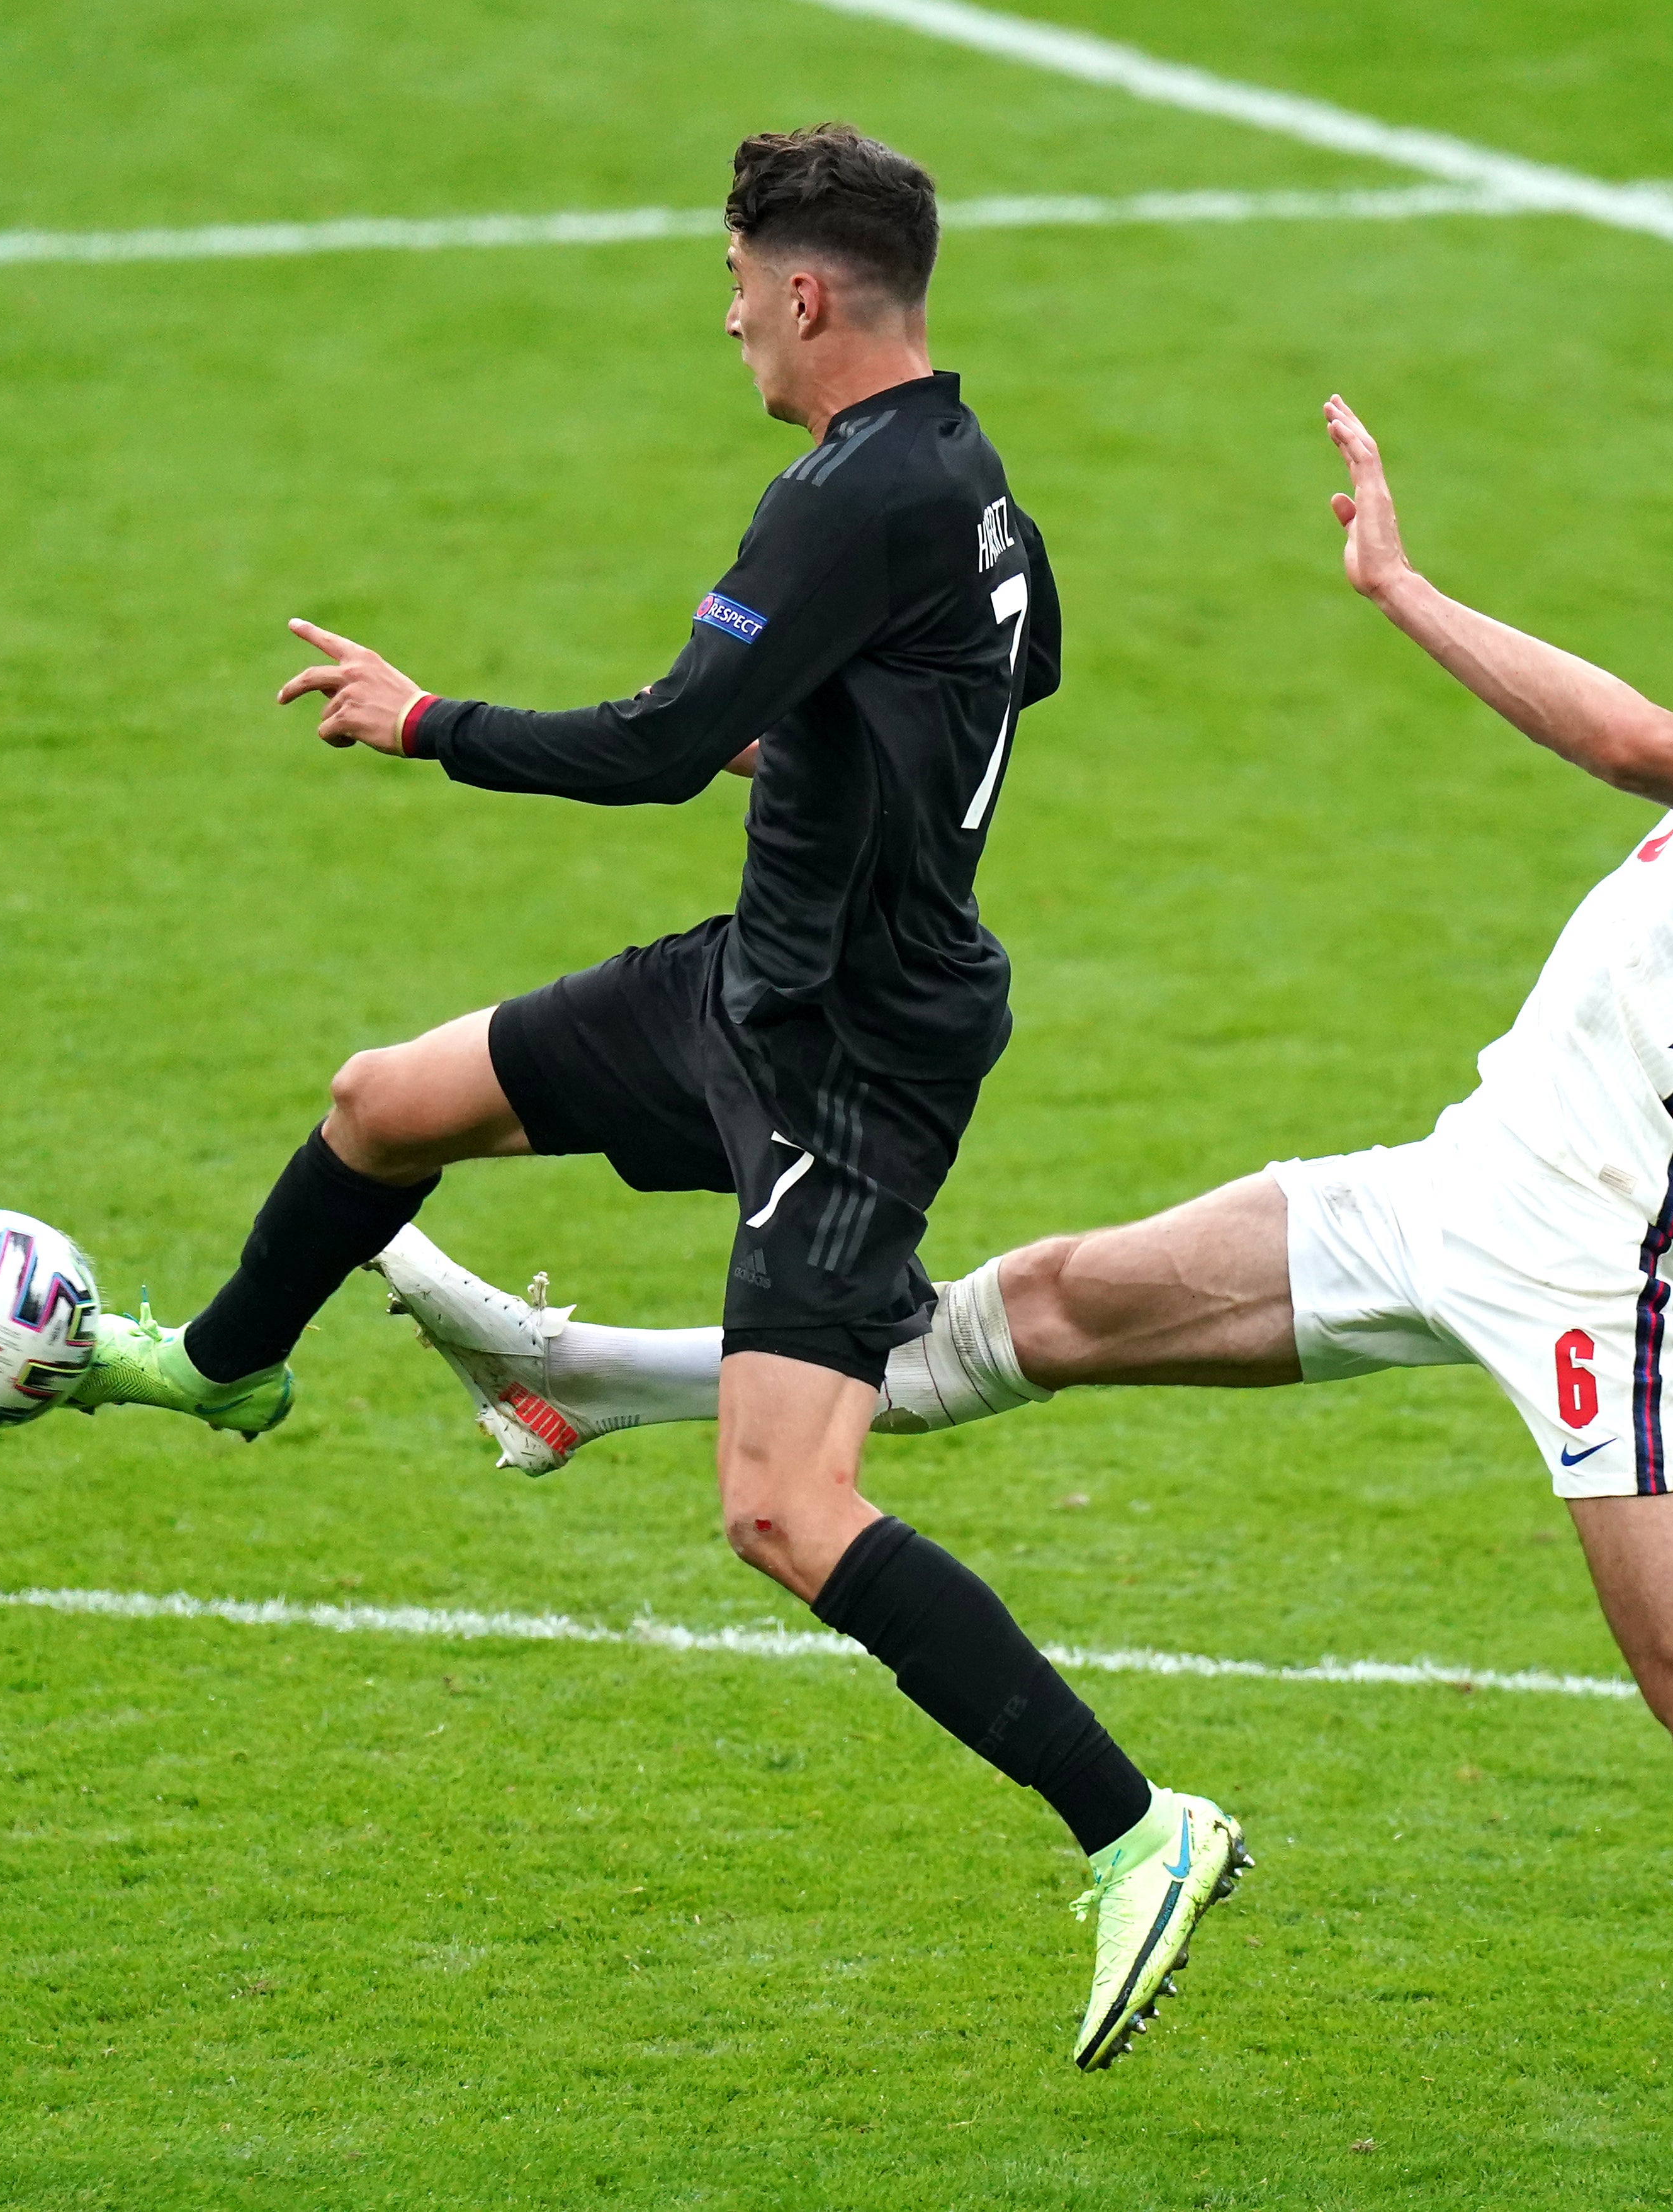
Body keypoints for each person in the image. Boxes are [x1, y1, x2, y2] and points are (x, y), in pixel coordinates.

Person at [380, 398, 1673, 2086]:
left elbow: (1628, 747)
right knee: (1059, 1303)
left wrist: (1406, 592)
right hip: (1470, 1177)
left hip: (1602, 1256)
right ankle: (591, 1388)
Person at [64, 123, 1246, 2072]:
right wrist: (816, 762)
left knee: (785, 1511)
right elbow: (972, 697)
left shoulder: (850, 496)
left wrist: (425, 719)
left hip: (854, 1055)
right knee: (381, 1105)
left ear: (803, 290)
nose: (723, 326)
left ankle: (1139, 1826)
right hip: (749, 981)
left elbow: (660, 741)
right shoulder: (973, 495)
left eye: (728, 287)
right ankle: (224, 1363)